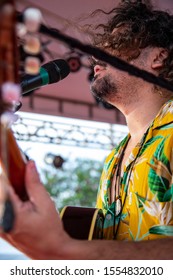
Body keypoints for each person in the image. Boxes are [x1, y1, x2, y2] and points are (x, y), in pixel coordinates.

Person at [0, 0, 173, 259]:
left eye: (119, 42)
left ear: (158, 57)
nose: (98, 53)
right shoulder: (113, 160)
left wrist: (65, 249)